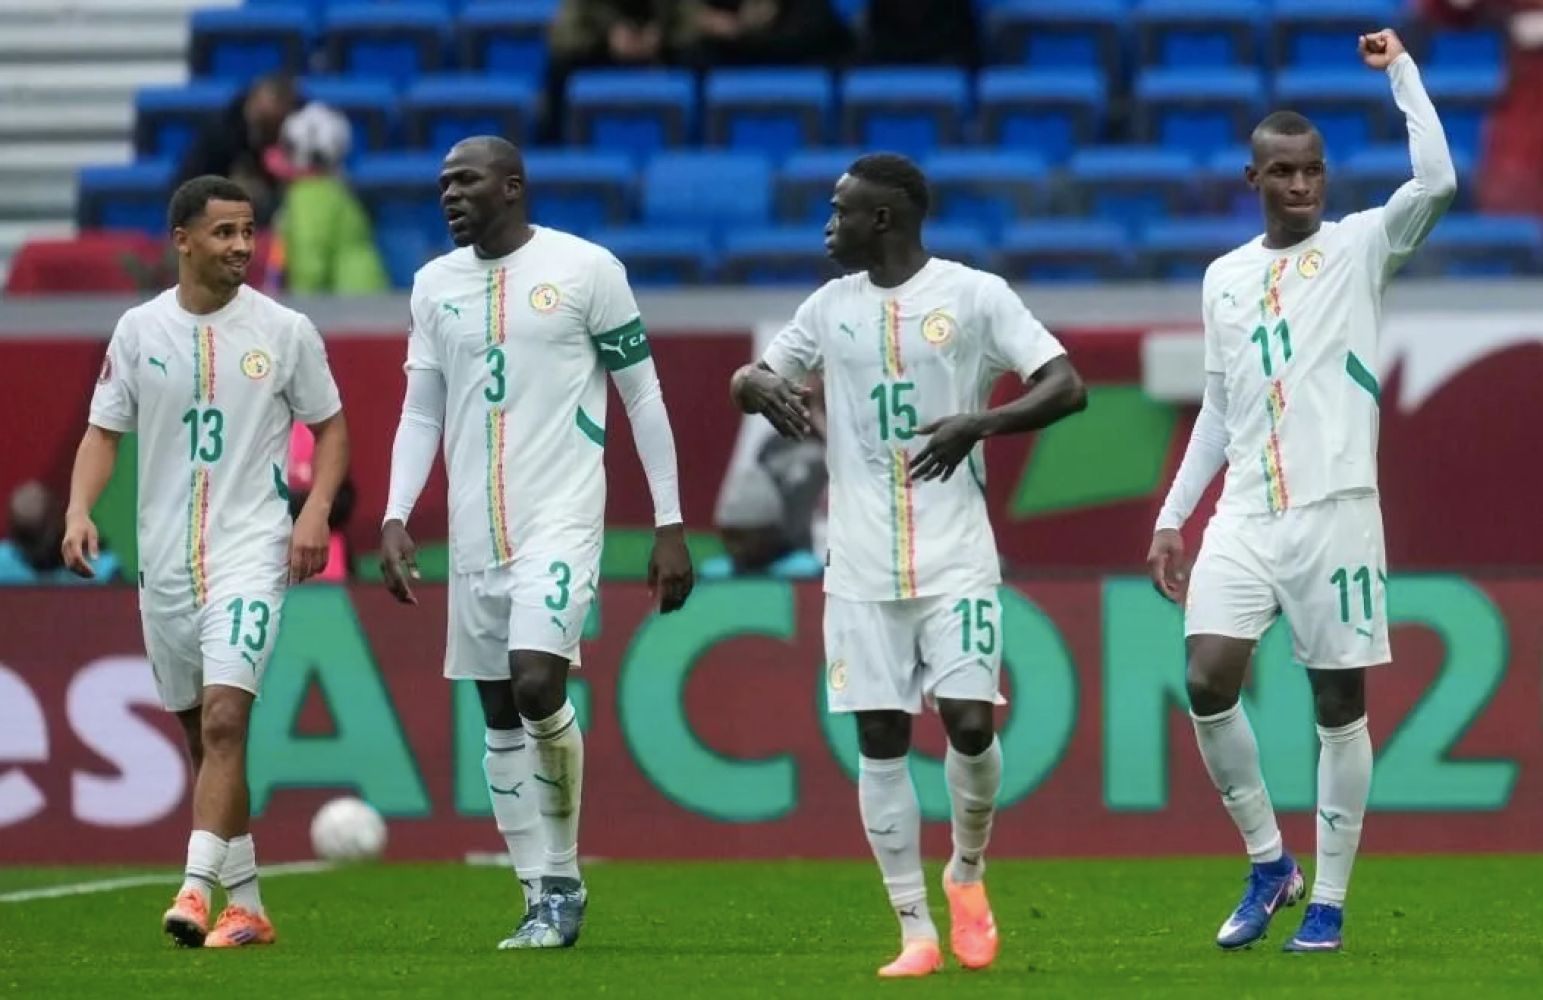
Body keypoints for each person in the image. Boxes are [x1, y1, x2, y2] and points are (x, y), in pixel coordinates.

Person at [730, 152, 1088, 978]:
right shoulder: (827, 309)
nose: (828, 223)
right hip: (858, 562)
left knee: (969, 723)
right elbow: (751, 379)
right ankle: (914, 929)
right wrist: (753, 382)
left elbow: (1066, 385)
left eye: (839, 210)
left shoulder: (972, 296)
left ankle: (966, 870)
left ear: (881, 218)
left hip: (956, 553)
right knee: (881, 740)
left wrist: (980, 424)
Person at [1146, 30, 1455, 954]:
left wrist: (1401, 70)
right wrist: (1172, 515)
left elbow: (1436, 181)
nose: (1301, 186)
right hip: (1244, 513)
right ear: (1253, 178)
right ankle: (1267, 860)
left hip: (1336, 514)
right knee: (1205, 678)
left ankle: (1326, 898)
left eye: (1312, 170)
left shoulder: (1362, 247)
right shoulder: (1224, 278)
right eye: (1282, 173)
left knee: (1336, 708)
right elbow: (1219, 408)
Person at [380, 136, 695, 950]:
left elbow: (644, 397)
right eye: (441, 182)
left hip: (560, 515)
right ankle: (535, 894)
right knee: (495, 709)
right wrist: (394, 512)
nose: (447, 194)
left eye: (465, 181)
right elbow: (421, 410)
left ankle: (561, 879)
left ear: (511, 186)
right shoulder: (432, 286)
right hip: (473, 534)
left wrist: (669, 522)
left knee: (532, 683)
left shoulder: (587, 269)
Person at [61, 175, 350, 949]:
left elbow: (330, 427)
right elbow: (102, 433)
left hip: (249, 552)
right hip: (164, 566)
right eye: (224, 233)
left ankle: (193, 891)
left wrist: (314, 509)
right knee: (204, 742)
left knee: (226, 720)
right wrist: (79, 509)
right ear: (182, 239)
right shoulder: (137, 331)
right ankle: (247, 904)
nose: (241, 247)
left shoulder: (284, 331)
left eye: (248, 232)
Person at [0, 480, 121, 584]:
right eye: (29, 537)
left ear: (60, 522)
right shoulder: (3, 563)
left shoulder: (100, 570)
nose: (41, 547)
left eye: (45, 532)